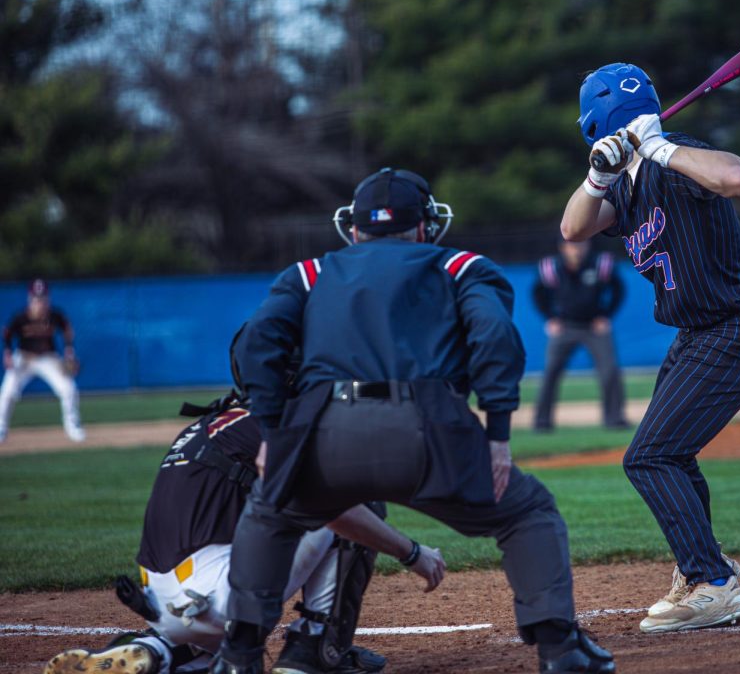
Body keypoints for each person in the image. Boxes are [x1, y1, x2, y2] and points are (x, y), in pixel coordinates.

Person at [212, 169, 615, 674]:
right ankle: (560, 649)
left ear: (355, 230)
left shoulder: (308, 273)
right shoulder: (462, 266)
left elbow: (256, 345)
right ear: (424, 227)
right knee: (527, 512)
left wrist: (272, 431)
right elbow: (494, 338)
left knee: (270, 515)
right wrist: (497, 434)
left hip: (325, 432)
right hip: (431, 432)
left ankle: (240, 654)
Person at [561, 63, 740, 634]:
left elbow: (735, 177)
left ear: (590, 119)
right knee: (670, 455)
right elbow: (573, 229)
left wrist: (657, 147)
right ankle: (702, 569)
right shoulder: (626, 180)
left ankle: (713, 585)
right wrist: (598, 178)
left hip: (736, 331)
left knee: (648, 457)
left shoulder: (676, 157)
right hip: (696, 336)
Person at [44, 385, 436, 674]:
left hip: (160, 600)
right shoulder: (277, 425)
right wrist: (412, 553)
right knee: (356, 505)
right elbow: (336, 511)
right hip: (218, 592)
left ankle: (157, 651)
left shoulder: (209, 425)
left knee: (215, 643)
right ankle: (314, 651)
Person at [532, 238, 628, 431]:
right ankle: (542, 422)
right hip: (565, 326)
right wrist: (550, 318)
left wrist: (605, 315)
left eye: (580, 244)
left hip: (594, 327)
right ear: (563, 247)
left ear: (588, 245)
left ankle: (614, 419)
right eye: (571, 245)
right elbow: (537, 293)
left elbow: (619, 290)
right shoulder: (550, 267)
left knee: (609, 371)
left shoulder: (601, 264)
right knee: (551, 372)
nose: (576, 249)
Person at [1, 278, 84, 443]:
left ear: (48, 298)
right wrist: (8, 352)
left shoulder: (55, 315)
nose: (40, 302)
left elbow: (67, 330)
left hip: (48, 358)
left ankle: (72, 426)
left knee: (68, 389)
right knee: (7, 392)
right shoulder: (21, 317)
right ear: (30, 299)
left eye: (43, 298)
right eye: (36, 299)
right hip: (24, 358)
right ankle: (1, 428)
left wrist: (69, 351)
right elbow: (7, 334)